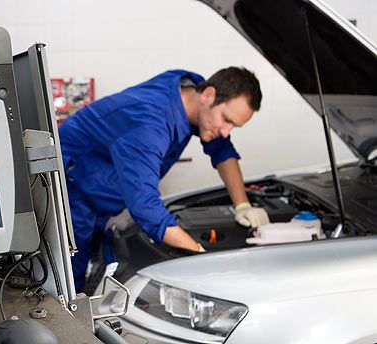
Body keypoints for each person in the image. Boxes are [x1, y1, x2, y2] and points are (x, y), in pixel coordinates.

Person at [59, 67, 270, 291]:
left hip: (99, 186)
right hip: (70, 187)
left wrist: (242, 204)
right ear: (208, 95)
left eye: (234, 126)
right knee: (70, 278)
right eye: (226, 120)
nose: (226, 131)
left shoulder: (190, 90)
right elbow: (144, 207)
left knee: (95, 260)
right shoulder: (150, 122)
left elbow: (222, 149)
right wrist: (199, 255)